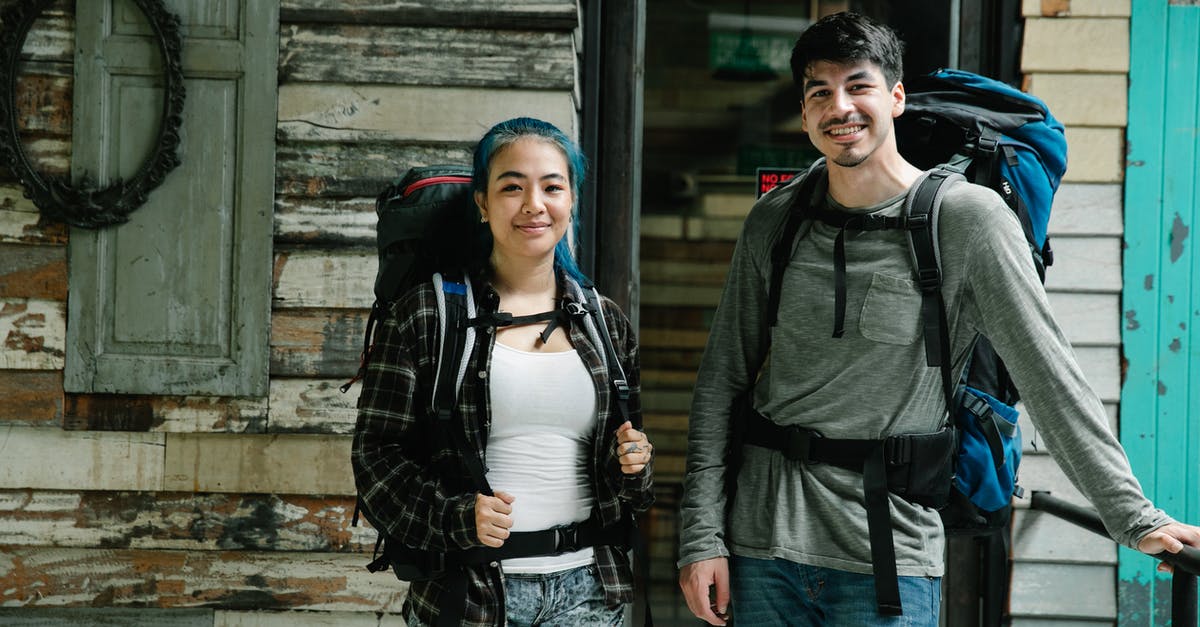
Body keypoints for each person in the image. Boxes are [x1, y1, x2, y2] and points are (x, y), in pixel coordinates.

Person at [676, 11, 1200, 626]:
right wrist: (701, 536)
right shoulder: (776, 219)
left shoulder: (966, 221)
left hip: (888, 555)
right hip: (760, 547)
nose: (840, 106)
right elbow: (722, 383)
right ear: (804, 113)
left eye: (858, 85)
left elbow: (1049, 376)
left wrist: (1133, 516)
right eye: (820, 92)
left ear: (895, 97)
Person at [353, 117, 654, 627]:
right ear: (482, 202)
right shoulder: (429, 314)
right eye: (512, 187)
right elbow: (375, 457)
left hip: (589, 592)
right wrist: (455, 516)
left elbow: (633, 492)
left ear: (571, 200)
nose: (534, 204)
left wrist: (634, 465)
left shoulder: (604, 323)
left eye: (552, 187)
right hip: (471, 592)